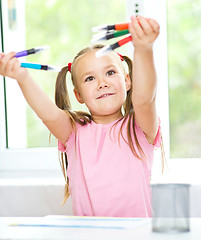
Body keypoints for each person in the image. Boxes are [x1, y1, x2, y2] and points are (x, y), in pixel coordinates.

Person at [0, 16, 163, 217]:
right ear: (78, 95)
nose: (102, 83)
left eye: (110, 73)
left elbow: (145, 99)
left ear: (127, 81)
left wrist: (144, 49)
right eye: (90, 78)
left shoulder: (138, 127)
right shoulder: (74, 132)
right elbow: (49, 115)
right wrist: (22, 77)